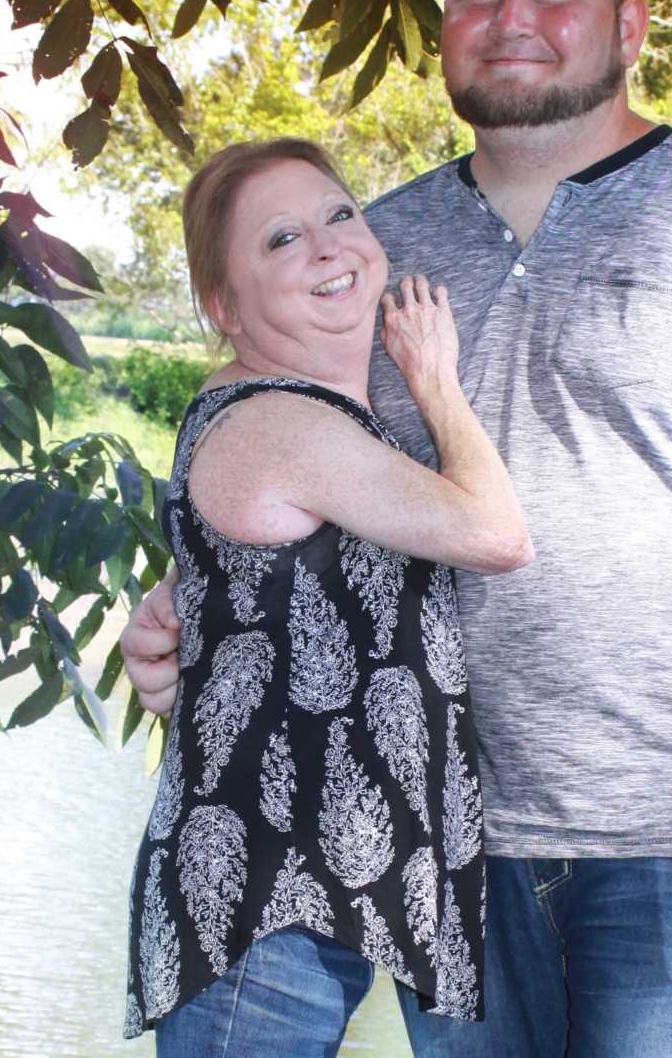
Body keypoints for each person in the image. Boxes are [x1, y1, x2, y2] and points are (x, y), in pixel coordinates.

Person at [123, 0, 672, 1058]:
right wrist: (187, 611)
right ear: (443, 28)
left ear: (628, 26)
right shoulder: (370, 244)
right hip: (442, 830)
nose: (510, 17)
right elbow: (294, 470)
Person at [121, 138, 533, 1056]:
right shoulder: (281, 420)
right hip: (261, 917)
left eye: (340, 214)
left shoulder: (301, 414)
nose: (326, 245)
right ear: (225, 308)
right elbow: (496, 533)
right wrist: (434, 379)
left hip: (304, 904)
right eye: (279, 240)